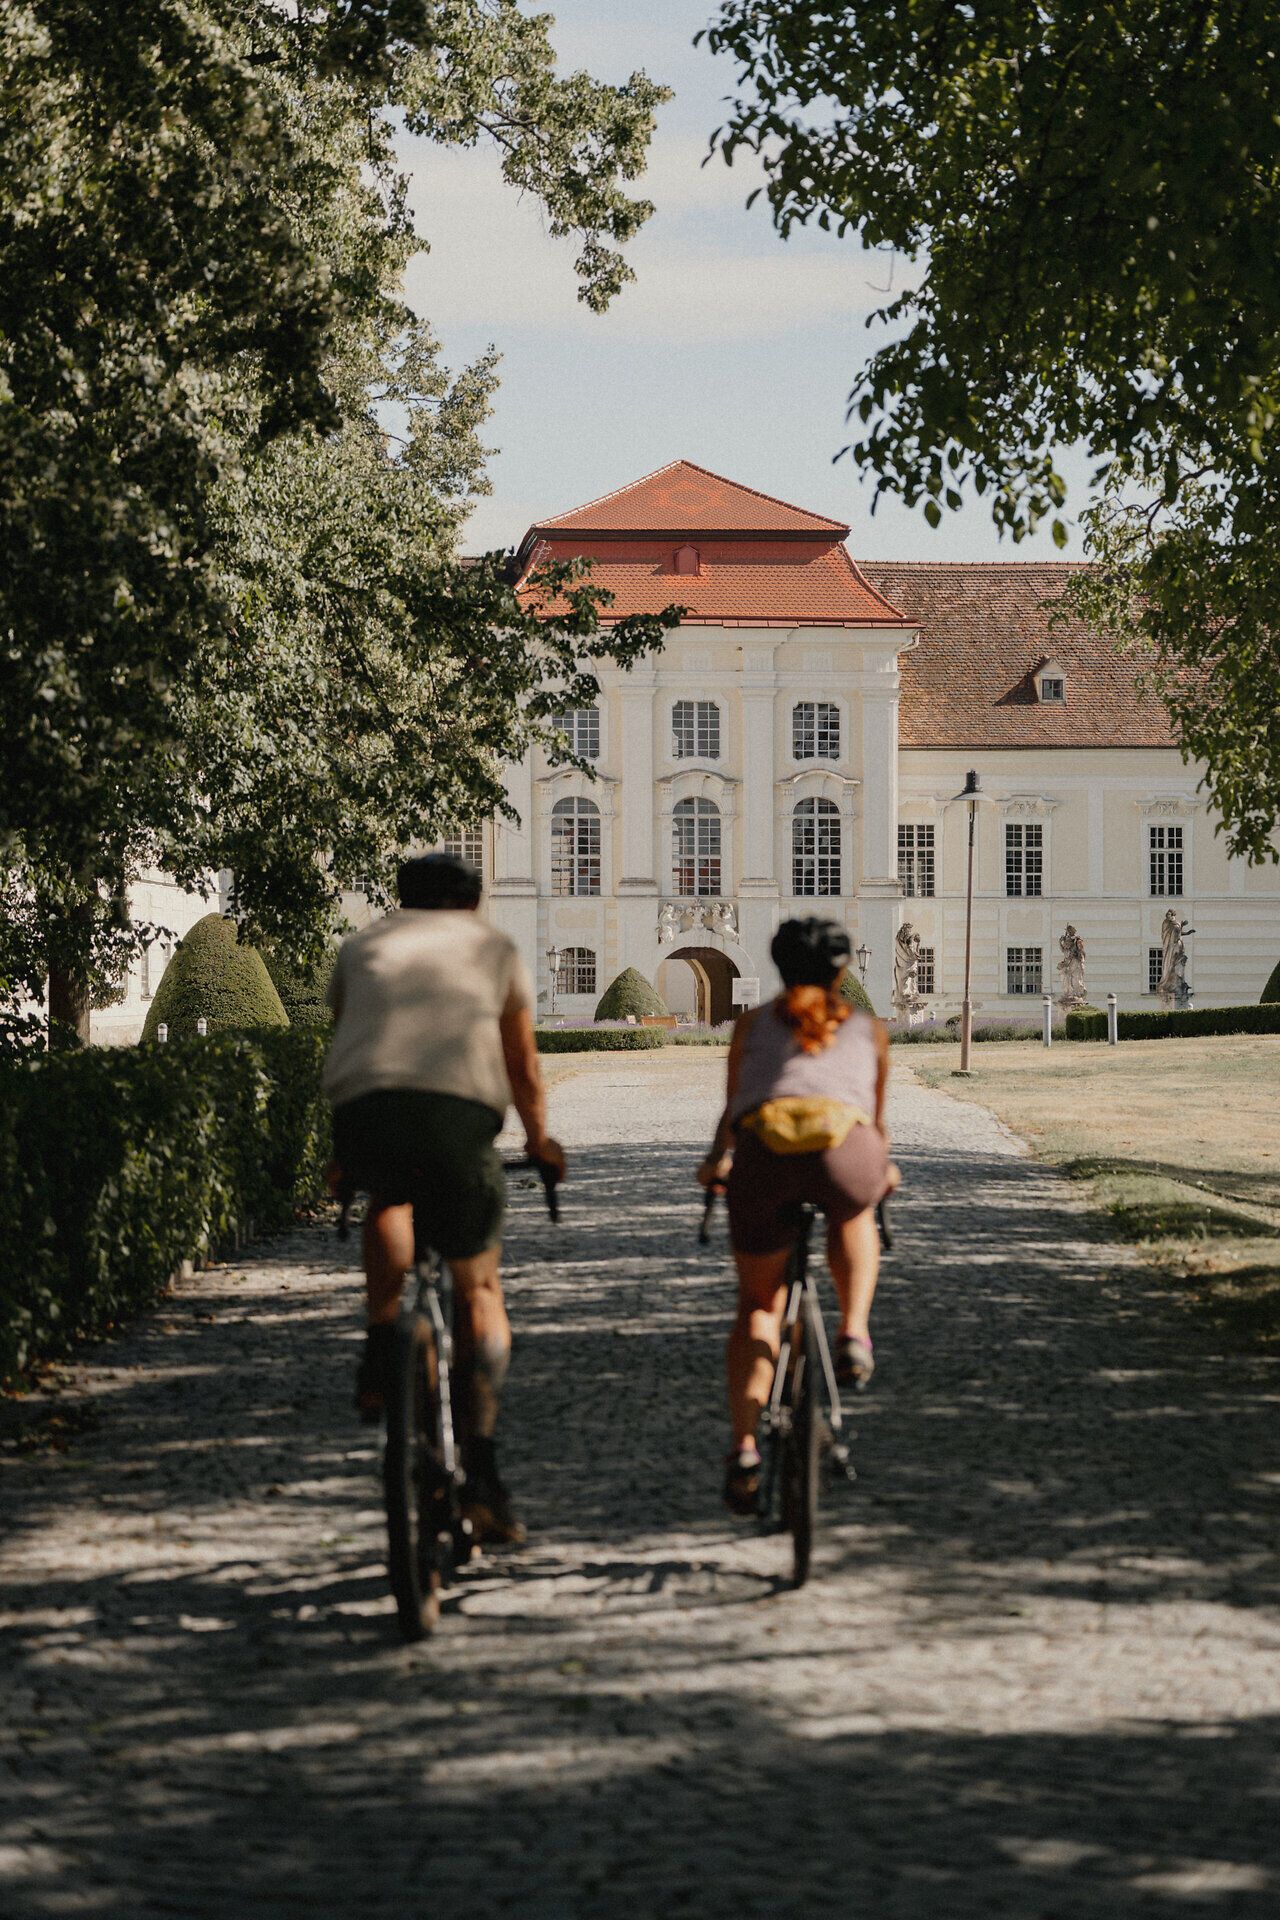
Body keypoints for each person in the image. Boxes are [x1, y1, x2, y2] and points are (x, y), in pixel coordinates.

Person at [323, 851, 564, 1546]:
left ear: (402, 897)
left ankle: (380, 1341)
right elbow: (521, 1062)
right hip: (457, 1119)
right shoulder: (491, 947)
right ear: (473, 901)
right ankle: (480, 1469)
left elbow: (355, 1042)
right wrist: (540, 1142)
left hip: (365, 1115)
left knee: (389, 1199)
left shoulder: (362, 945)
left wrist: (344, 1155)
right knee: (478, 1287)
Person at [696, 917, 896, 1516]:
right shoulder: (867, 1028)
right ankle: (853, 1332)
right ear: (842, 971)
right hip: (845, 1153)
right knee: (853, 1214)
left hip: (765, 1157)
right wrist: (882, 1172)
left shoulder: (753, 1022)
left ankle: (745, 1450)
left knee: (759, 1308)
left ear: (779, 966)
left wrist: (715, 1163)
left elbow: (735, 1111)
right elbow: (874, 1122)